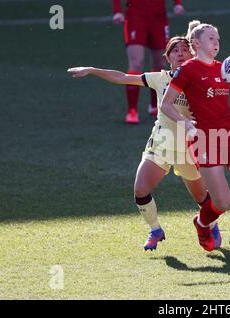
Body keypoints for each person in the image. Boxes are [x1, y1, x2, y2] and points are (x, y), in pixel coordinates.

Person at [67, 36, 221, 251]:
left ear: (193, 54)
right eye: (174, 51)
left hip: (189, 147)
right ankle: (155, 230)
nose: (180, 54)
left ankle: (210, 225)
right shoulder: (159, 79)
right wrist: (92, 69)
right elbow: (122, 78)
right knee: (140, 189)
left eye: (185, 50)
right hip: (162, 142)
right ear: (167, 58)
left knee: (201, 196)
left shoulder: (201, 77)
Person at [160, 21, 230, 258]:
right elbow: (166, 105)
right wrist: (185, 124)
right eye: (211, 38)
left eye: (218, 38)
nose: (216, 42)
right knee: (222, 202)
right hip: (205, 141)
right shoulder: (186, 70)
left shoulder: (225, 68)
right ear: (196, 44)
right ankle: (202, 223)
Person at [112, 0, 185, 124]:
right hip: (135, 17)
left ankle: (154, 106)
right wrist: (117, 11)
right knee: (136, 63)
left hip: (158, 17)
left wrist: (177, 3)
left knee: (160, 63)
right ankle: (132, 110)